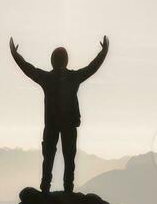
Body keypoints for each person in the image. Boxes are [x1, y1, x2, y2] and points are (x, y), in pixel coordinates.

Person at [10, 36, 109, 193]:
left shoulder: (46, 78)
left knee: (48, 158)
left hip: (51, 125)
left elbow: (27, 68)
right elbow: (92, 67)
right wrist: (104, 52)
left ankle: (45, 189)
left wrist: (15, 55)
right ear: (66, 61)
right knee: (69, 159)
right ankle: (68, 190)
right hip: (69, 125)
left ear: (52, 61)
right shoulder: (73, 77)